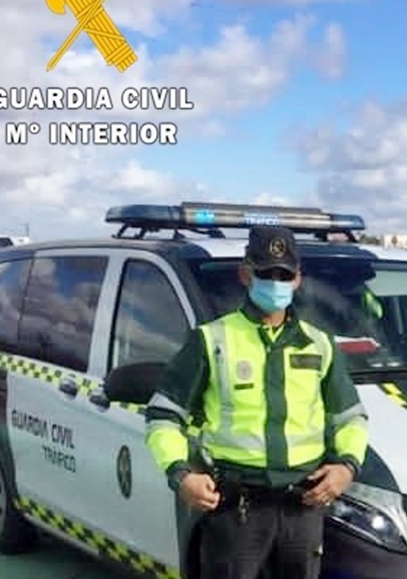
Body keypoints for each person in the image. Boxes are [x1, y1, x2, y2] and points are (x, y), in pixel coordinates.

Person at [144, 226, 369, 579]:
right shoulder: (211, 340)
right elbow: (162, 417)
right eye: (266, 273)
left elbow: (351, 419)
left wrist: (347, 467)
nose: (276, 282)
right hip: (236, 510)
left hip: (303, 509)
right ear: (246, 274)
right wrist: (180, 474)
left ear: (297, 279)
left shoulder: (319, 344)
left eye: (284, 274)